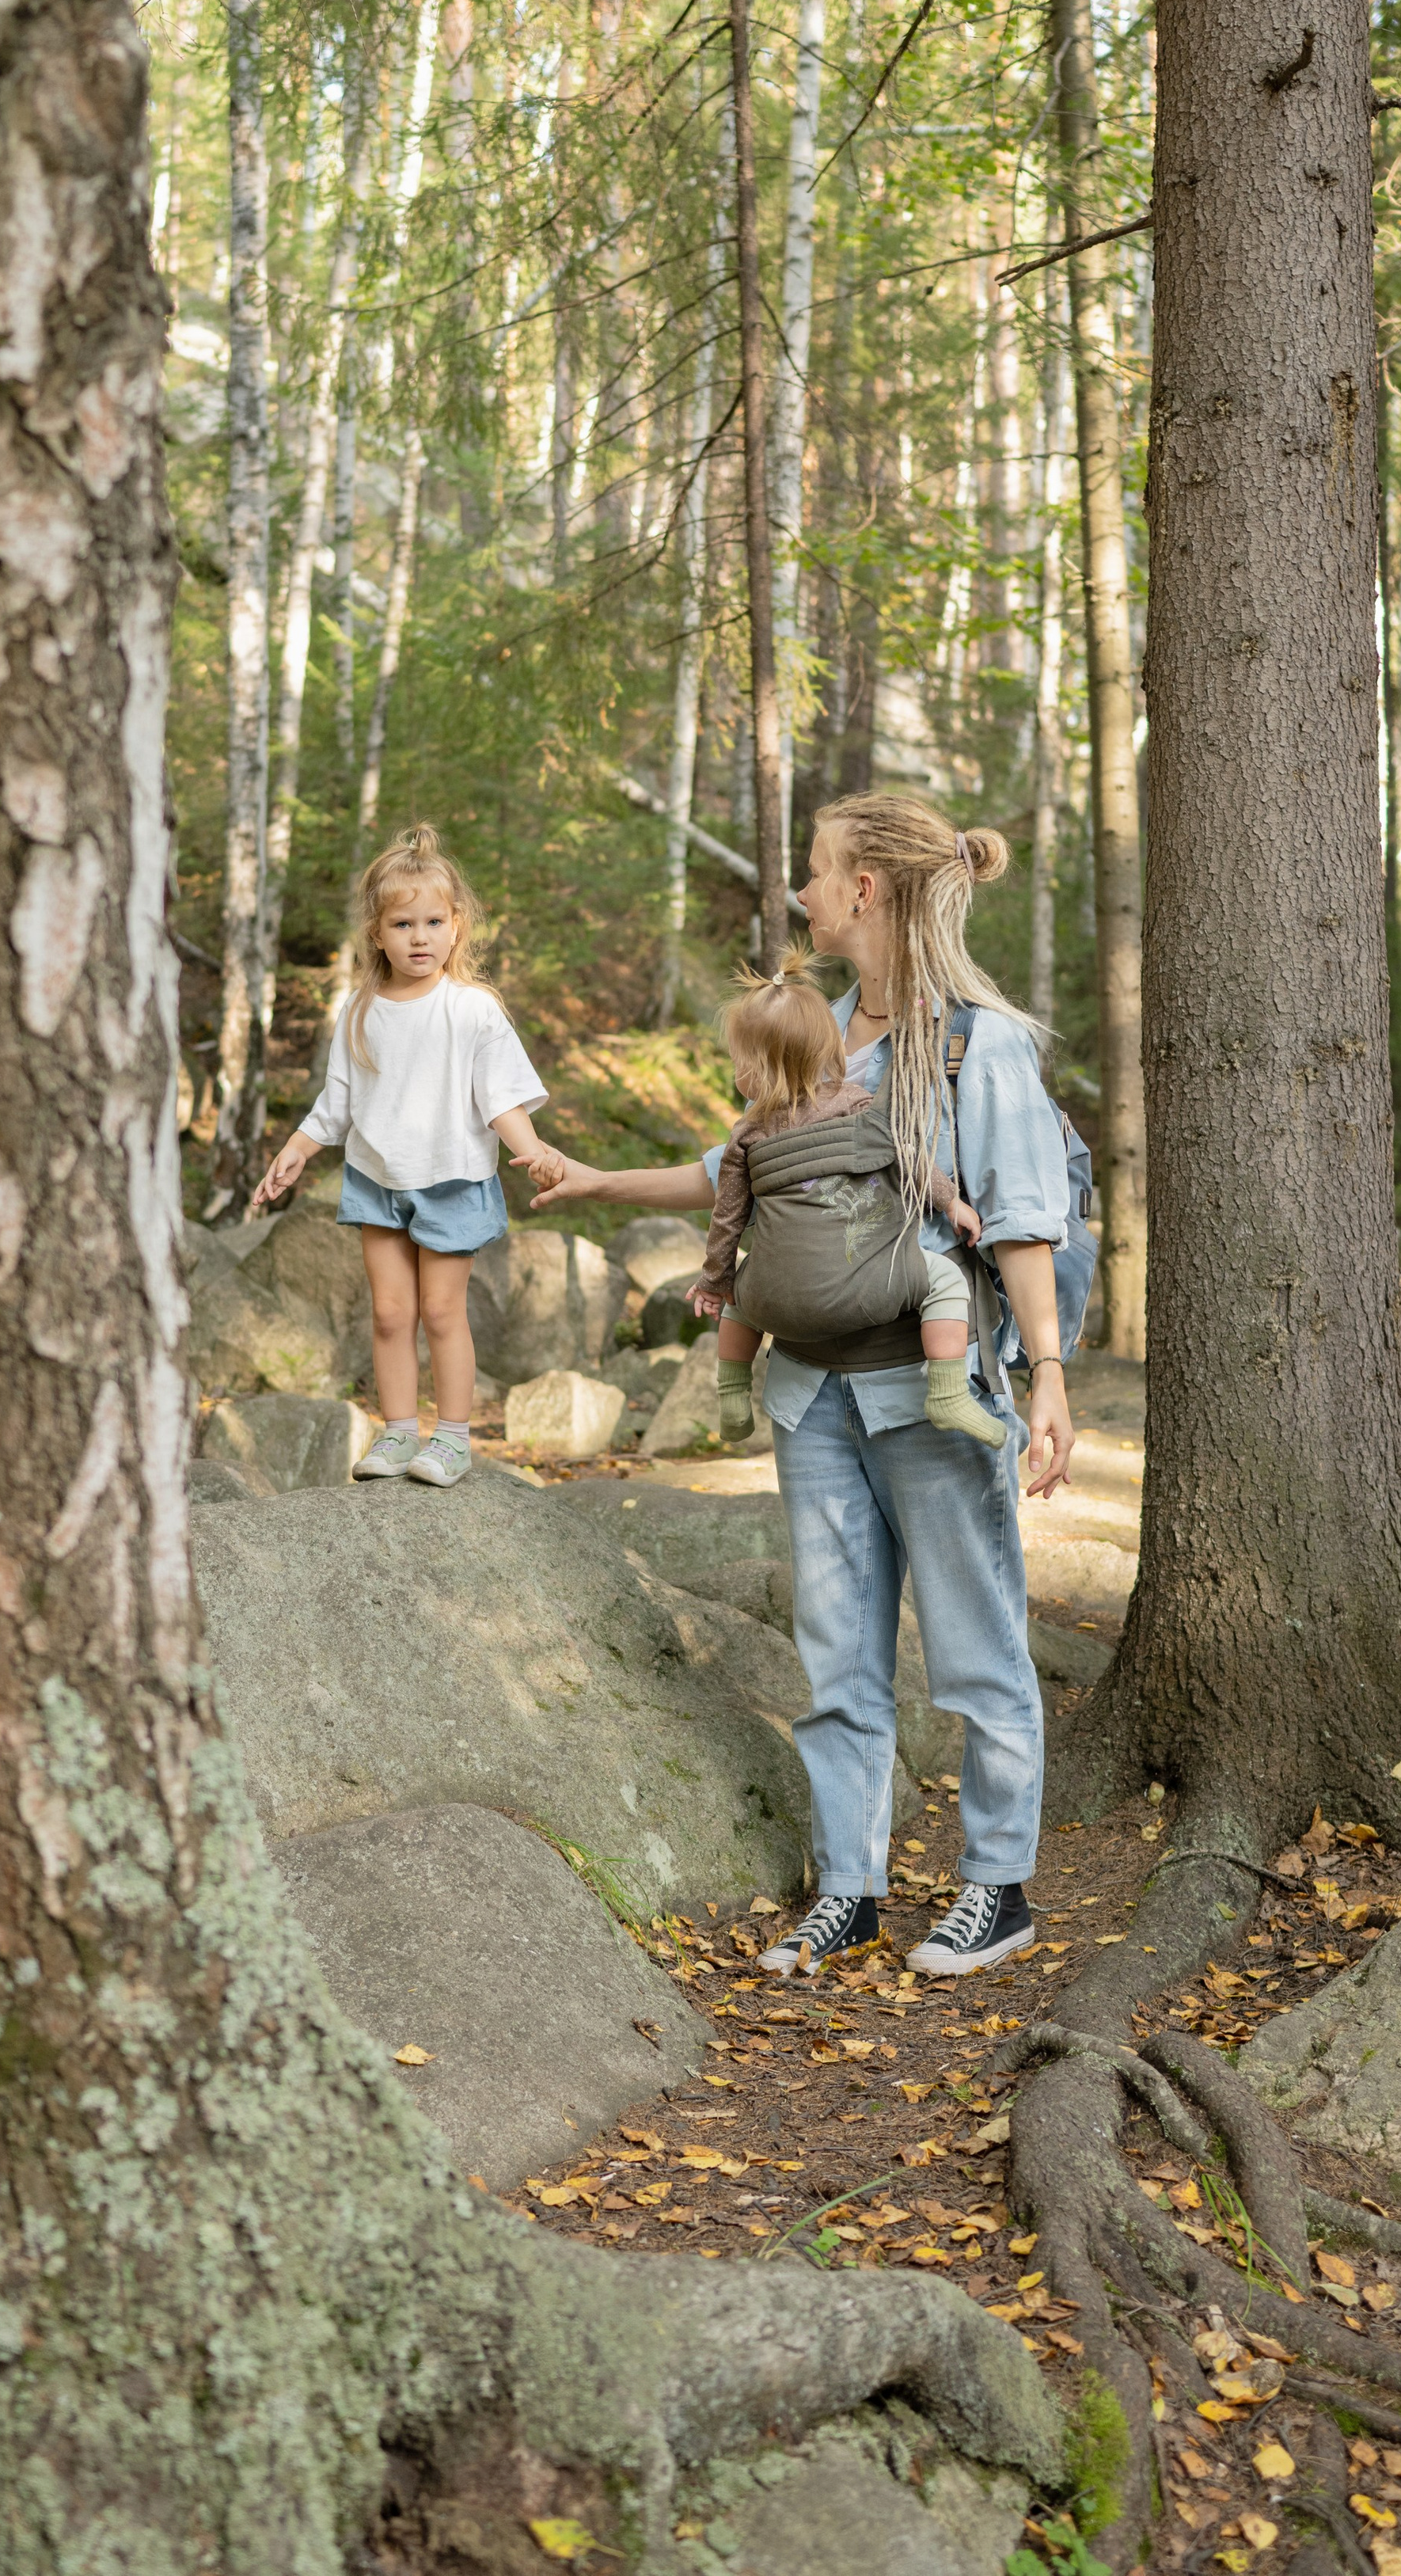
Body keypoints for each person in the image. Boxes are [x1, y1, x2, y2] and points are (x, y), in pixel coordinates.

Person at [524, 792, 1072, 1981]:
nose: (804, 893)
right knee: (837, 1656)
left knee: (977, 1646)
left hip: (930, 1391)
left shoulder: (980, 1041)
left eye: (817, 873)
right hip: (812, 1395)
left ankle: (998, 1886)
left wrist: (1050, 1379)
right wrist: (593, 1180)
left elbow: (1023, 1216)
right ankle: (852, 1889)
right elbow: (736, 1168)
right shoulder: (813, 1033)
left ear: (867, 887)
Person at [255, 826, 564, 1487]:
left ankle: (452, 1438)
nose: (418, 937)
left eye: (432, 922)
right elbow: (337, 1102)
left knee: (443, 1312)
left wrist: (532, 1152)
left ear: (456, 928)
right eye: (402, 923)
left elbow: (501, 1097)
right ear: (377, 933)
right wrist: (297, 1149)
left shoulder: (472, 1010)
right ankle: (397, 1432)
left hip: (452, 1179)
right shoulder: (360, 1010)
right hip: (377, 1179)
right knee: (392, 1313)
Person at [690, 948, 1004, 1453]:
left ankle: (731, 1392)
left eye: (736, 1062)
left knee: (740, 1295)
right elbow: (909, 1154)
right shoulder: (857, 1105)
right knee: (945, 1279)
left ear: (755, 1067)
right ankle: (947, 1392)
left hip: (777, 1305)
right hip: (866, 1286)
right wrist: (951, 1204)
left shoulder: (744, 1136)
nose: (734, 1072)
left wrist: (714, 1279)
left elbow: (727, 1220)